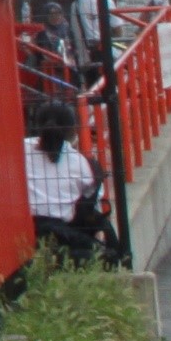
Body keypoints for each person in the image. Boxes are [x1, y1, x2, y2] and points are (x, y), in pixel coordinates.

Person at [24, 97, 105, 259]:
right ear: (71, 129)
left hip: (25, 229)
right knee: (100, 249)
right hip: (62, 233)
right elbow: (93, 203)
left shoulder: (19, 150)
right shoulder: (82, 164)